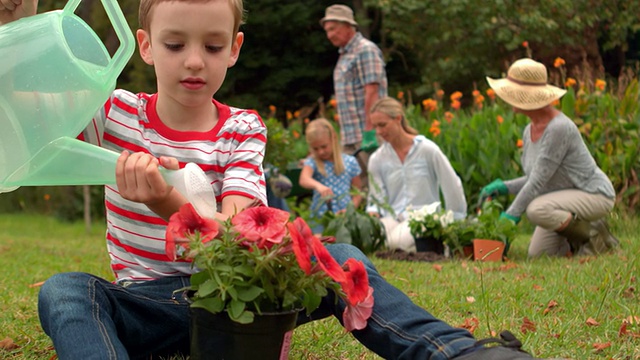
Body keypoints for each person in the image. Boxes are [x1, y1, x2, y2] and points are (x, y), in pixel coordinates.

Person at [1, 1, 550, 359]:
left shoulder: (241, 128)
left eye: (213, 46)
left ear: (234, 49)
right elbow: (20, 104)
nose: (194, 61)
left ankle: (455, 352)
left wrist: (171, 202)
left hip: (235, 301)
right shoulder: (114, 113)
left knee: (338, 255)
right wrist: (16, 28)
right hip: (146, 304)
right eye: (174, 45)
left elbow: (243, 233)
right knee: (67, 290)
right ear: (143, 46)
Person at [481, 57, 619, 258]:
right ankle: (574, 240)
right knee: (539, 254)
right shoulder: (529, 130)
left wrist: (511, 215)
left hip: (594, 194)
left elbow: (537, 183)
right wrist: (504, 187)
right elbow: (537, 177)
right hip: (563, 199)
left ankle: (595, 235)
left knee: (536, 209)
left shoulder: (558, 128)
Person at [366, 97, 468, 253]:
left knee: (395, 242)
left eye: (383, 125)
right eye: (375, 127)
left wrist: (456, 220)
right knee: (375, 239)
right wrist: (373, 213)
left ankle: (431, 245)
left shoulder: (427, 149)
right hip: (392, 217)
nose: (379, 132)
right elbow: (376, 198)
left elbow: (451, 184)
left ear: (398, 119)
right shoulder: (377, 159)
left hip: (423, 217)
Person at [320, 4, 388, 190]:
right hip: (350, 136)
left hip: (367, 133)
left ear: (348, 26)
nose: (329, 35)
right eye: (327, 31)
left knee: (379, 186)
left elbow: (372, 91)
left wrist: (369, 130)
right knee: (359, 189)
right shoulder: (344, 56)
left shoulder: (365, 50)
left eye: (333, 29)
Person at [299, 118, 362, 234]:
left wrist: (350, 210)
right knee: (321, 243)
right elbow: (304, 179)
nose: (321, 152)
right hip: (320, 218)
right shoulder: (312, 162)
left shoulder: (350, 162)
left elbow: (357, 192)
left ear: (333, 138)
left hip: (344, 217)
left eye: (324, 146)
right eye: (316, 149)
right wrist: (319, 186)